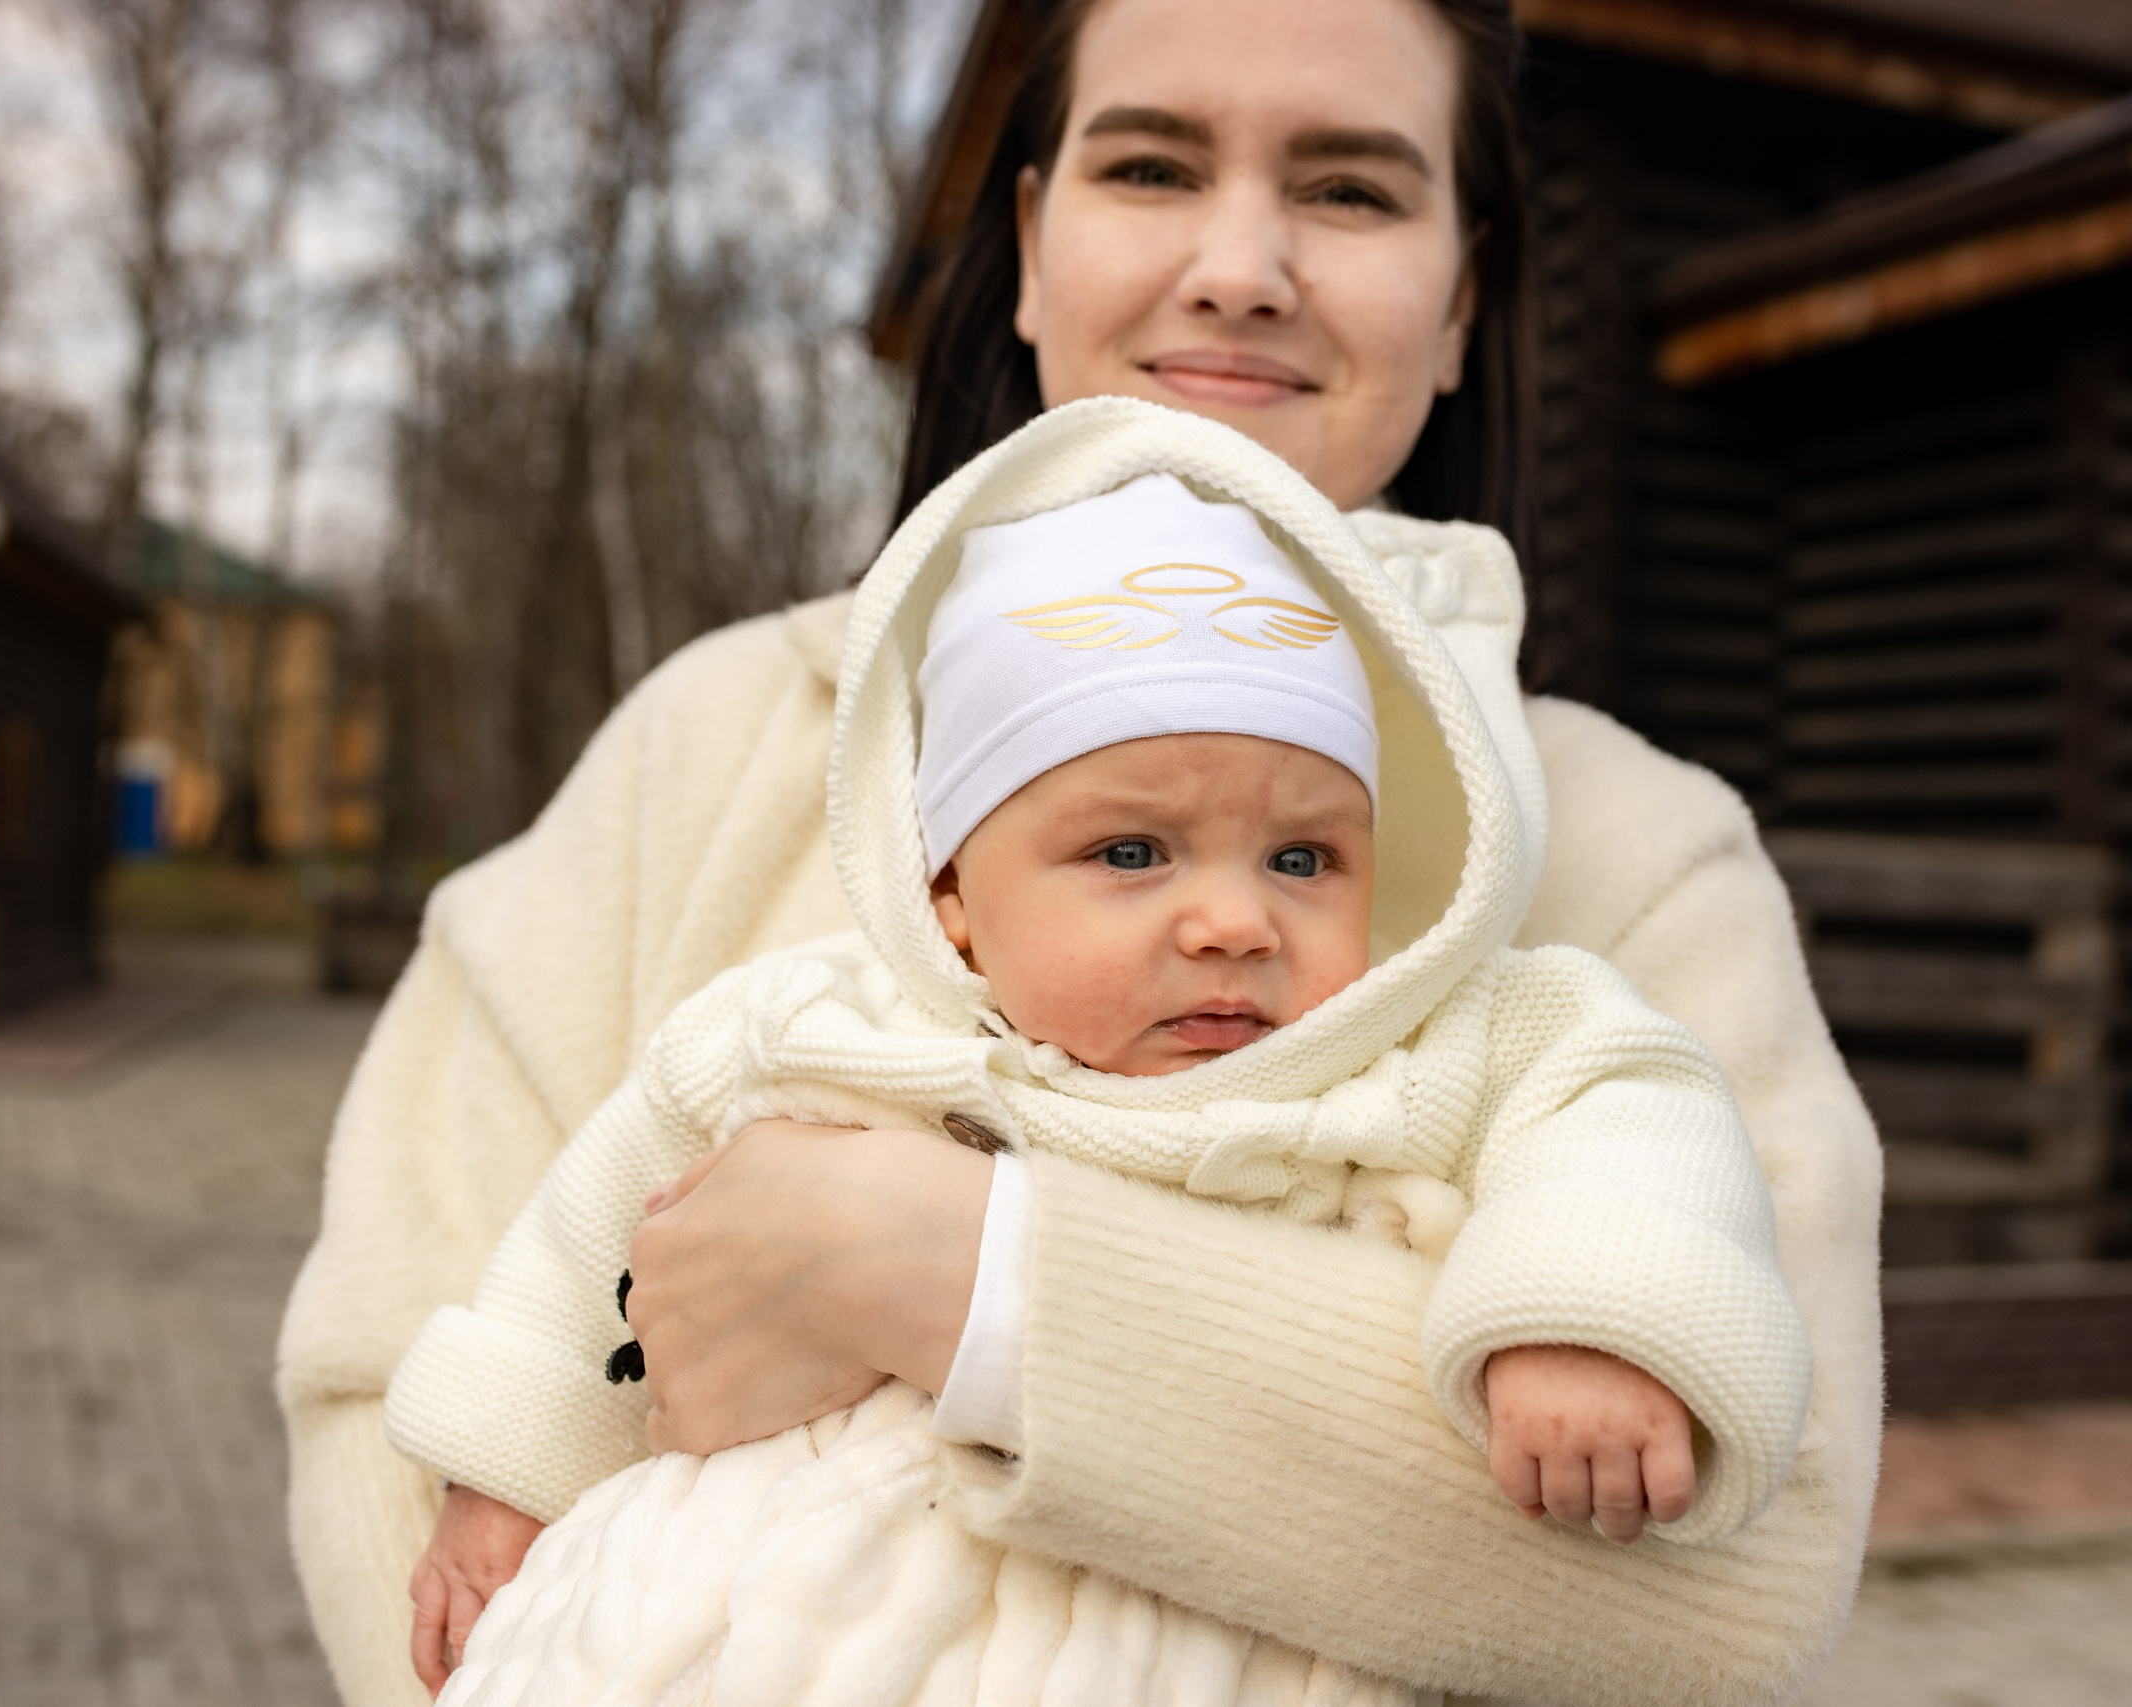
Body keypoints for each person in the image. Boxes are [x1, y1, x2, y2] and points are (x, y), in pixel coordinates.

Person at [276, 1, 1884, 1703]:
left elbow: (1741, 1584)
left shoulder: (1642, 865)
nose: (1240, 264)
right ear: (1032, 244)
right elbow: (397, 1382)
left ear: (1464, 296)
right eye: (1151, 164)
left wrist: (958, 1280)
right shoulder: (709, 744)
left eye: (1349, 190)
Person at [382, 410, 1814, 1706]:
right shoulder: (819, 1026)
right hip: (782, 1631)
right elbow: (588, 1232)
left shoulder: (1441, 1036)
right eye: (1132, 851)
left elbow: (1625, 1099)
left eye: (1305, 855)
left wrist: (1587, 1317)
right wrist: (510, 1467)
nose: (1237, 920)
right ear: (949, 897)